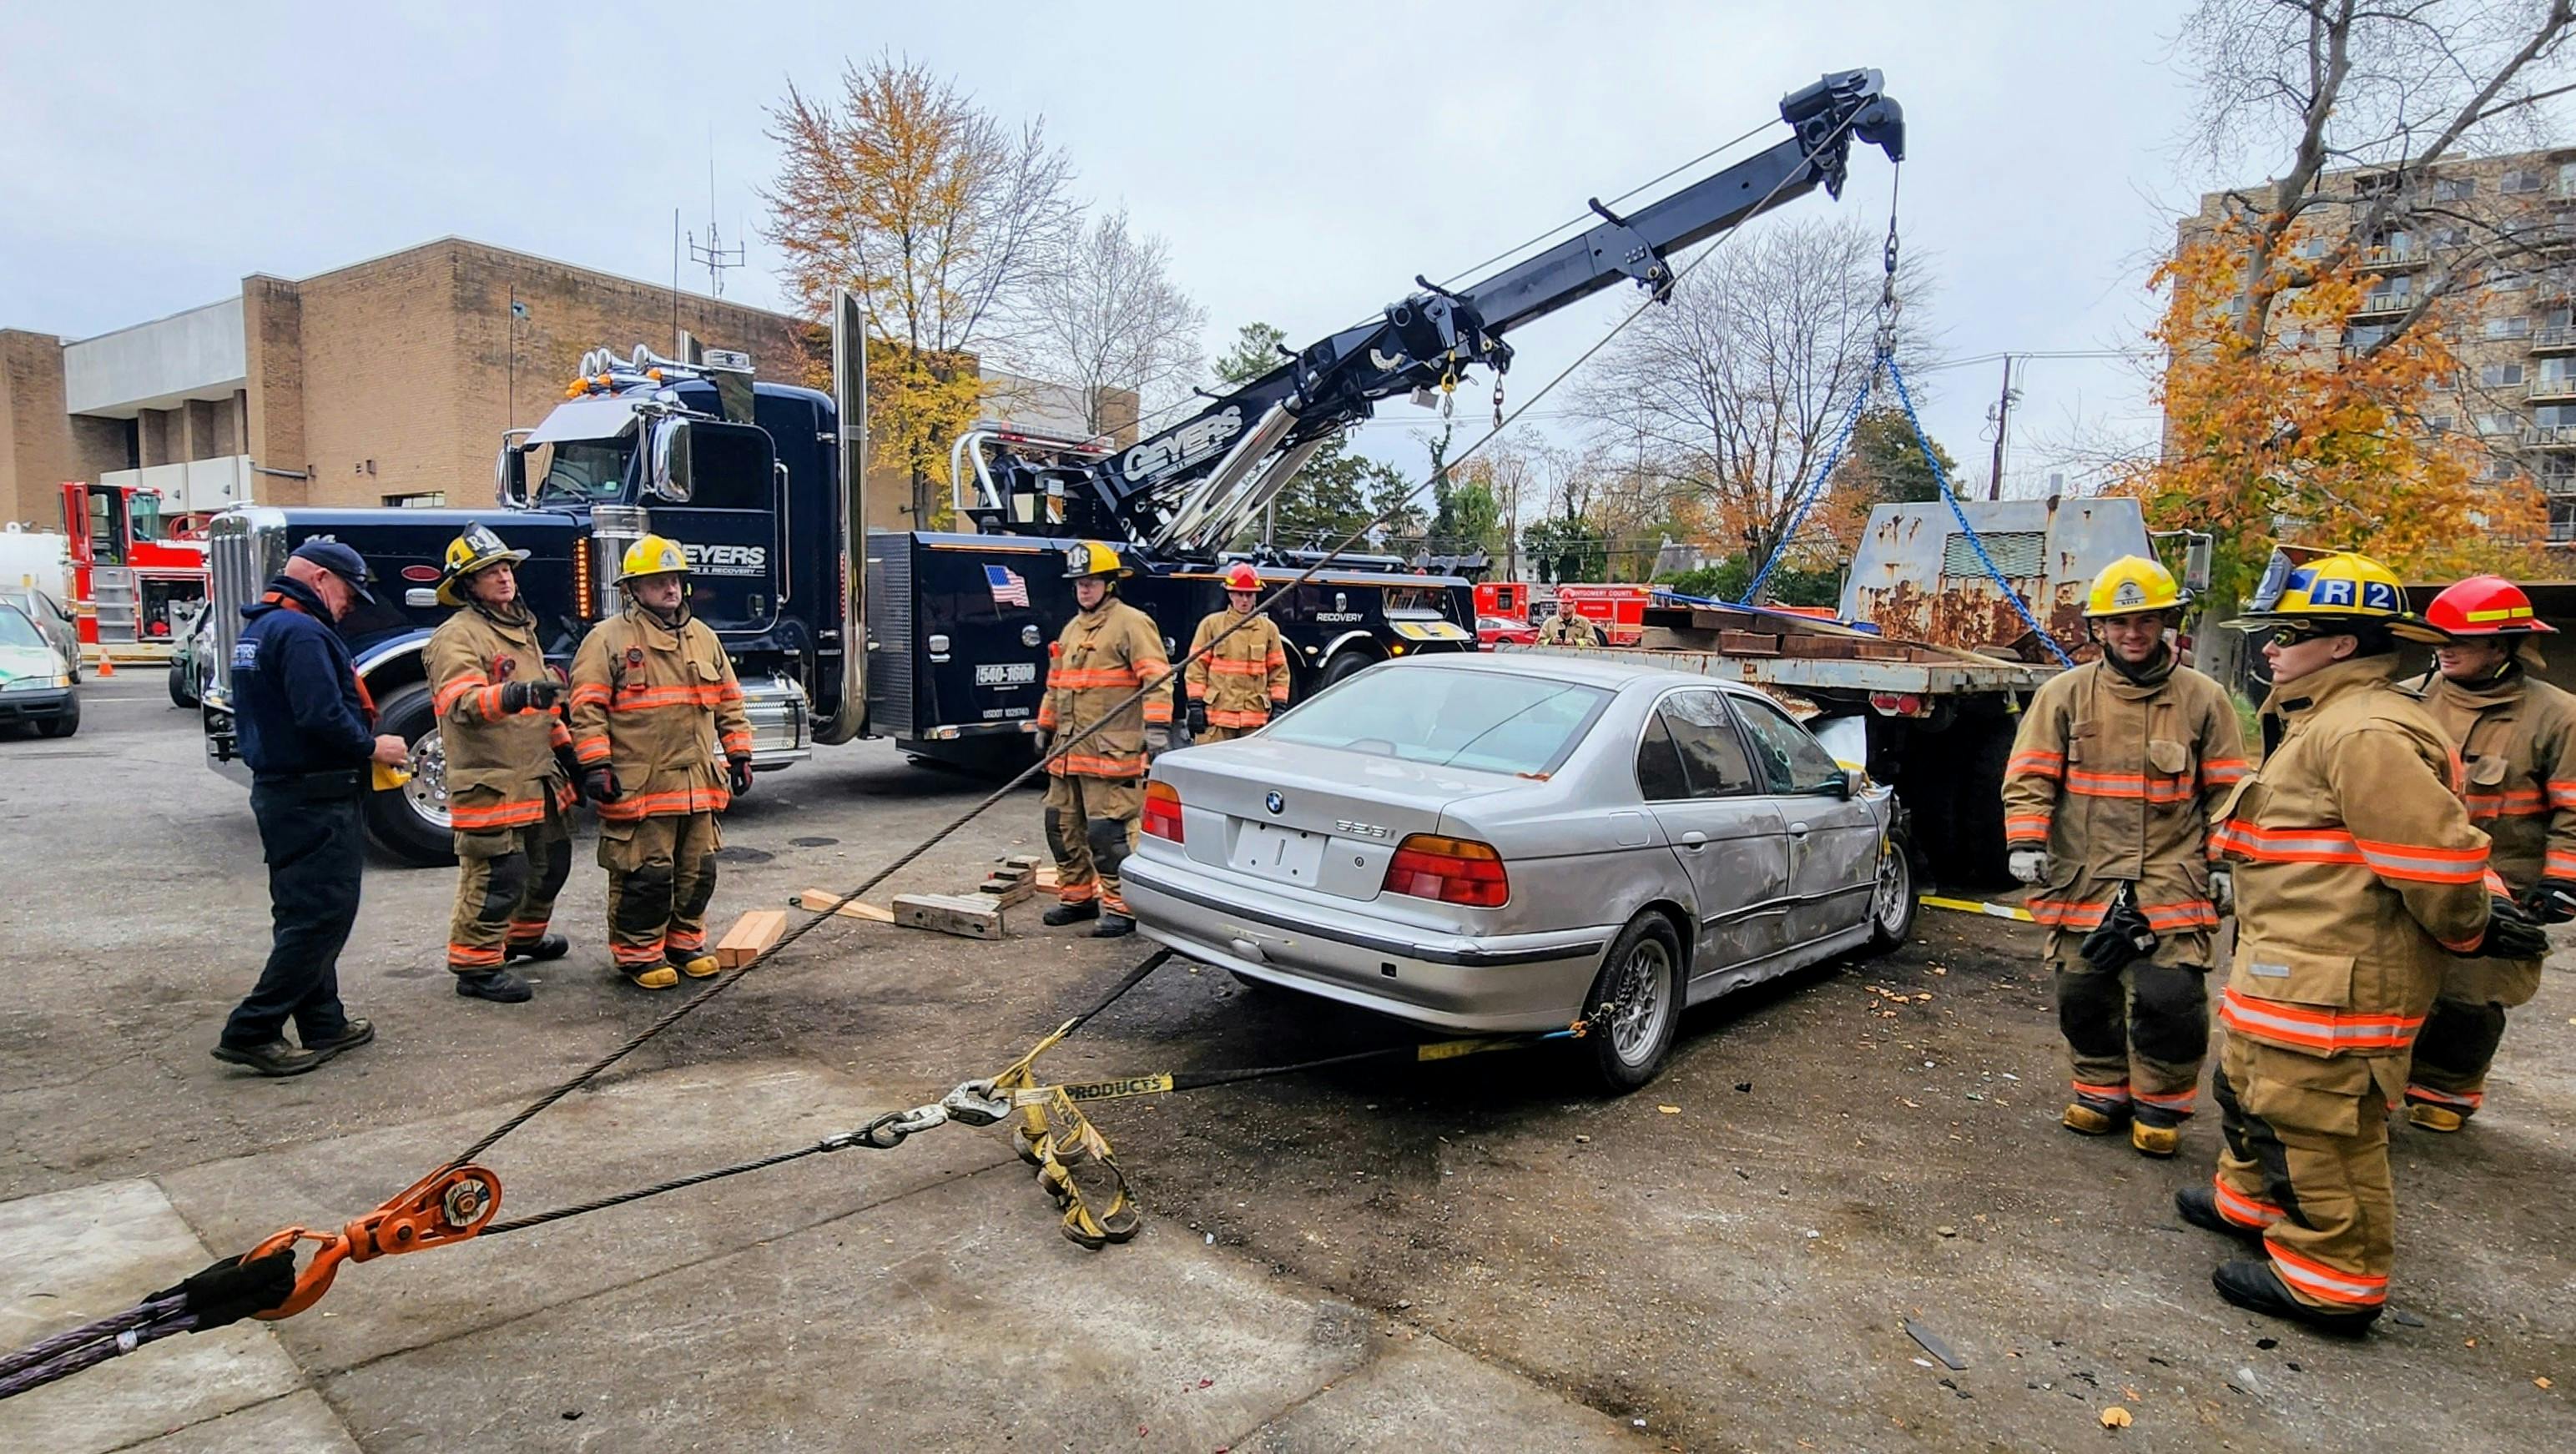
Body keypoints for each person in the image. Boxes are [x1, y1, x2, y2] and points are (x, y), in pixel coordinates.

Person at [2173, 549, 2544, 1335]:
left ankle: (2331, 1281)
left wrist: (2473, 927)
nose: (2269, 648)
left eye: (2287, 634)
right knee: (2252, 1088)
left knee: (2320, 1119)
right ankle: (2250, 1203)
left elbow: (2437, 863)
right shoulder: (2321, 719)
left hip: (2339, 979)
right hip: (2289, 959)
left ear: (2343, 643)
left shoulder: (2365, 731)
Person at [2001, 556, 2247, 1157]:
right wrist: (2026, 842)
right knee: (2083, 995)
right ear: (2097, 629)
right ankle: (2098, 1092)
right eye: (2117, 623)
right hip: (2081, 875)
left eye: (2144, 620)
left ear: (2166, 622)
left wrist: (2223, 863)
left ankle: (2159, 1105)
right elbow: (2029, 777)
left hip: (2171, 874)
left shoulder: (2203, 699)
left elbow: (2228, 793)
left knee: (2171, 999)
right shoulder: (2063, 695)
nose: (2131, 634)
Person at [214, 539, 408, 1076]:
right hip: (313, 795)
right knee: (322, 916)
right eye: (348, 592)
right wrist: (375, 747)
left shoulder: (263, 628)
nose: (350, 605)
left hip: (284, 791)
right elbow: (320, 715)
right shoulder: (302, 632)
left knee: (304, 911)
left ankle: (324, 1020)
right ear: (321, 579)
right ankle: (253, 1029)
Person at [2403, 574, 2576, 1130]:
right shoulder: (2406, 700)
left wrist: (2561, 881)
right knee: (2391, 982)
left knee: (2470, 999)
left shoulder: (2557, 717)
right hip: (2412, 876)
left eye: (2459, 639)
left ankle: (2444, 1089)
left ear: (2501, 646)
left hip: (2501, 883)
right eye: (2438, 639)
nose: (2444, 649)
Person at [567, 536, 753, 990]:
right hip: (640, 785)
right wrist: (596, 765)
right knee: (646, 874)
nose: (670, 589)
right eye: (658, 581)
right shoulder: (607, 640)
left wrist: (740, 753)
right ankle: (638, 955)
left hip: (698, 784)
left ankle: (685, 944)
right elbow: (586, 707)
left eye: (675, 580)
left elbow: (730, 701)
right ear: (634, 589)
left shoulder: (703, 638)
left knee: (698, 871)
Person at [426, 524, 578, 1004]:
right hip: (491, 778)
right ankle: (476, 967)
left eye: (506, 567)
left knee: (551, 863)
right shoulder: (458, 637)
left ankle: (523, 938)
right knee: (498, 874)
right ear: (468, 584)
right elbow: (459, 703)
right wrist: (514, 694)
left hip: (536, 775)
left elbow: (543, 704)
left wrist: (572, 753)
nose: (504, 577)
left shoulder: (519, 629)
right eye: (489, 571)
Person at [1038, 541, 1172, 938]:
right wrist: (1045, 727)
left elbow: (1157, 678)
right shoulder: (1072, 628)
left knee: (1106, 834)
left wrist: (1157, 729)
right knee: (1060, 826)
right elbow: (1056, 684)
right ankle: (1077, 897)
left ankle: (1121, 907)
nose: (1084, 589)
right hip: (1066, 751)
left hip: (1112, 752)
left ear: (1111, 584)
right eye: (1079, 582)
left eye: (1092, 582)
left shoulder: (1131, 623)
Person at [1183, 562, 1289, 743]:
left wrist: (1279, 706)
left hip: (1254, 721)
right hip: (1217, 719)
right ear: (1230, 594)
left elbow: (1279, 672)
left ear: (1256, 596)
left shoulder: (1268, 629)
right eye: (1239, 594)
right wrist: (1195, 705)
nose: (1245, 600)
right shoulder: (1211, 625)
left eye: (1249, 594)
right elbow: (1196, 669)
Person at [1535, 605, 1603, 647]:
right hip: (1555, 661)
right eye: (1563, 603)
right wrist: (1551, 641)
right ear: (1559, 606)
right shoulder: (1549, 623)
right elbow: (1538, 643)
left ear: (1574, 606)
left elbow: (1594, 643)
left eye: (1568, 603)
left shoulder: (1584, 623)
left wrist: (1575, 642)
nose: (1565, 606)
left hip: (1577, 661)